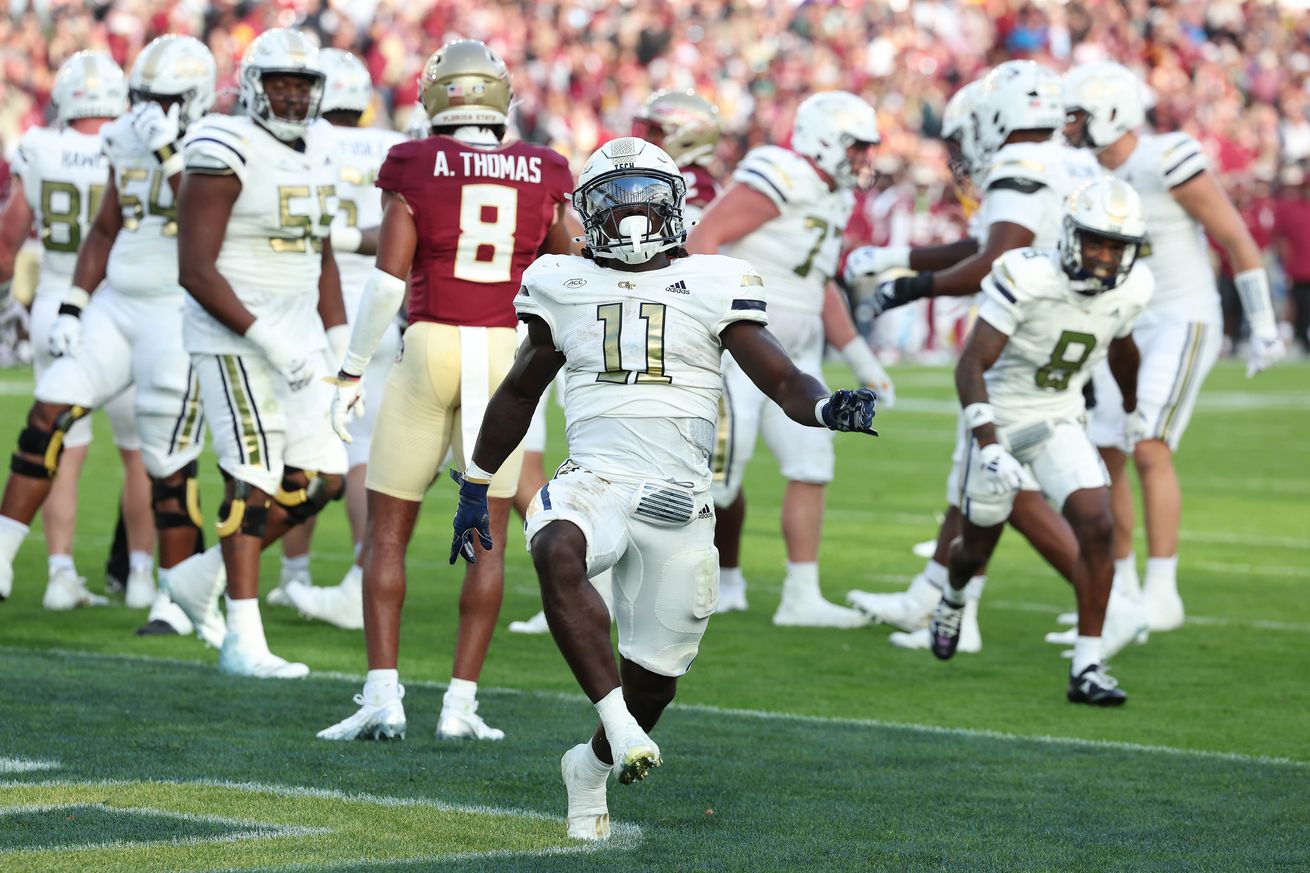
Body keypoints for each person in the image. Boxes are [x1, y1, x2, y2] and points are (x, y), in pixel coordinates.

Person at [449, 137, 878, 840]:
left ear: (674, 207)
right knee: (555, 545)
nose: (631, 217)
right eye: (614, 204)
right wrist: (474, 483)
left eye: (645, 200)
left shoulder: (713, 282)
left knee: (654, 681)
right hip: (595, 479)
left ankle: (588, 765)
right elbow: (519, 388)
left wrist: (825, 405)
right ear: (588, 215)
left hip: (680, 497)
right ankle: (617, 727)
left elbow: (777, 374)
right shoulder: (564, 281)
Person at [315, 40, 574, 741]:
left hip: (429, 344)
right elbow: (571, 269)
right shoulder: (544, 167)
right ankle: (459, 705)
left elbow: (387, 279)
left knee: (388, 529)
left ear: (437, 96)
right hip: (504, 355)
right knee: (486, 539)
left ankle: (383, 695)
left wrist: (350, 367)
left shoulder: (414, 163)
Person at [845, 62, 1100, 653]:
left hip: (1028, 336)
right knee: (976, 471)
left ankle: (1108, 605)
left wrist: (912, 285)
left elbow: (997, 258)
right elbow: (992, 243)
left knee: (996, 477)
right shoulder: (1072, 160)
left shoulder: (1021, 160)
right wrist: (901, 255)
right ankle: (934, 599)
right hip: (1071, 330)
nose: (964, 148)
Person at [1059, 61, 1285, 634]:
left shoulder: (1164, 159)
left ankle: (1163, 592)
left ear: (1110, 114)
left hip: (1183, 317)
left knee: (1149, 444)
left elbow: (1235, 237)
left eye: (1079, 115)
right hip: (1120, 323)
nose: (1071, 126)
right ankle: (1122, 586)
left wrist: (1262, 325)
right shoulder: (1083, 171)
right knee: (1105, 448)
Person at [165, 28, 348, 677]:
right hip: (233, 334)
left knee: (322, 478)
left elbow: (320, 253)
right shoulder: (225, 142)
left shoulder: (321, 148)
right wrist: (267, 337)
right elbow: (195, 267)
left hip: (298, 336)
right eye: (280, 82)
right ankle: (242, 638)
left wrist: (340, 351)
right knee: (253, 476)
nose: (293, 96)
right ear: (253, 85)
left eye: (303, 85)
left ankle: (199, 575)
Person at [508, 87, 723, 636]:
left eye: (657, 126)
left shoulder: (698, 231)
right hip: (606, 333)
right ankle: (581, 577)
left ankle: (590, 582)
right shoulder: (566, 277)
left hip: (662, 347)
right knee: (589, 466)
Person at [932, 176, 1152, 706]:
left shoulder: (1133, 288)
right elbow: (971, 365)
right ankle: (954, 595)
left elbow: (1124, 352)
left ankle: (1087, 665)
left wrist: (1131, 408)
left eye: (1116, 246)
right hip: (1000, 420)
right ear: (1072, 237)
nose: (1104, 256)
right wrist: (987, 443)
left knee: (1098, 522)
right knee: (973, 548)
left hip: (1058, 418)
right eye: (1096, 241)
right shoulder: (1027, 276)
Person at [686, 91, 891, 626]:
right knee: (716, 478)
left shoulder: (833, 196)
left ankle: (802, 596)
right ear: (825, 140)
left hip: (799, 355)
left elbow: (819, 284)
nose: (863, 160)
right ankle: (654, 582)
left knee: (812, 463)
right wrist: (711, 316)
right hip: (745, 350)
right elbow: (705, 237)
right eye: (856, 147)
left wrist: (862, 360)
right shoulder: (782, 172)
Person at [0, 51, 155, 611]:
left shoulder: (41, 146)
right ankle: (140, 574)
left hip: (54, 305)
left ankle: (60, 573)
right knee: (140, 452)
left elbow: (7, 239)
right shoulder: (135, 145)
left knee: (61, 447)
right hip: (124, 307)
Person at [281, 48, 407, 630]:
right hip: (383, 309)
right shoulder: (393, 146)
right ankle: (359, 570)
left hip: (318, 307)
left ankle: (297, 574)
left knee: (302, 446)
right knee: (362, 454)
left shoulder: (305, 145)